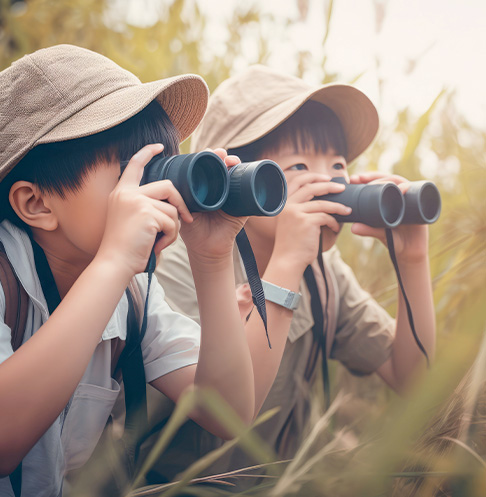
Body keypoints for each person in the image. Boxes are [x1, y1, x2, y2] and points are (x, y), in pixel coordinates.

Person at [0, 47, 287, 497]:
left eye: (159, 166)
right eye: (129, 171)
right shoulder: (18, 279)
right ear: (36, 203)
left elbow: (227, 413)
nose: (156, 190)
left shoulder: (132, 294)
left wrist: (211, 257)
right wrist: (114, 261)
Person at [150, 64, 436, 486]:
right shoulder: (181, 265)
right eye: (300, 166)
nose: (329, 184)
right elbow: (226, 413)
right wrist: (285, 263)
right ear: (239, 181)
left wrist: (413, 259)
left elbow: (414, 381)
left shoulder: (324, 273)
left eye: (338, 164)